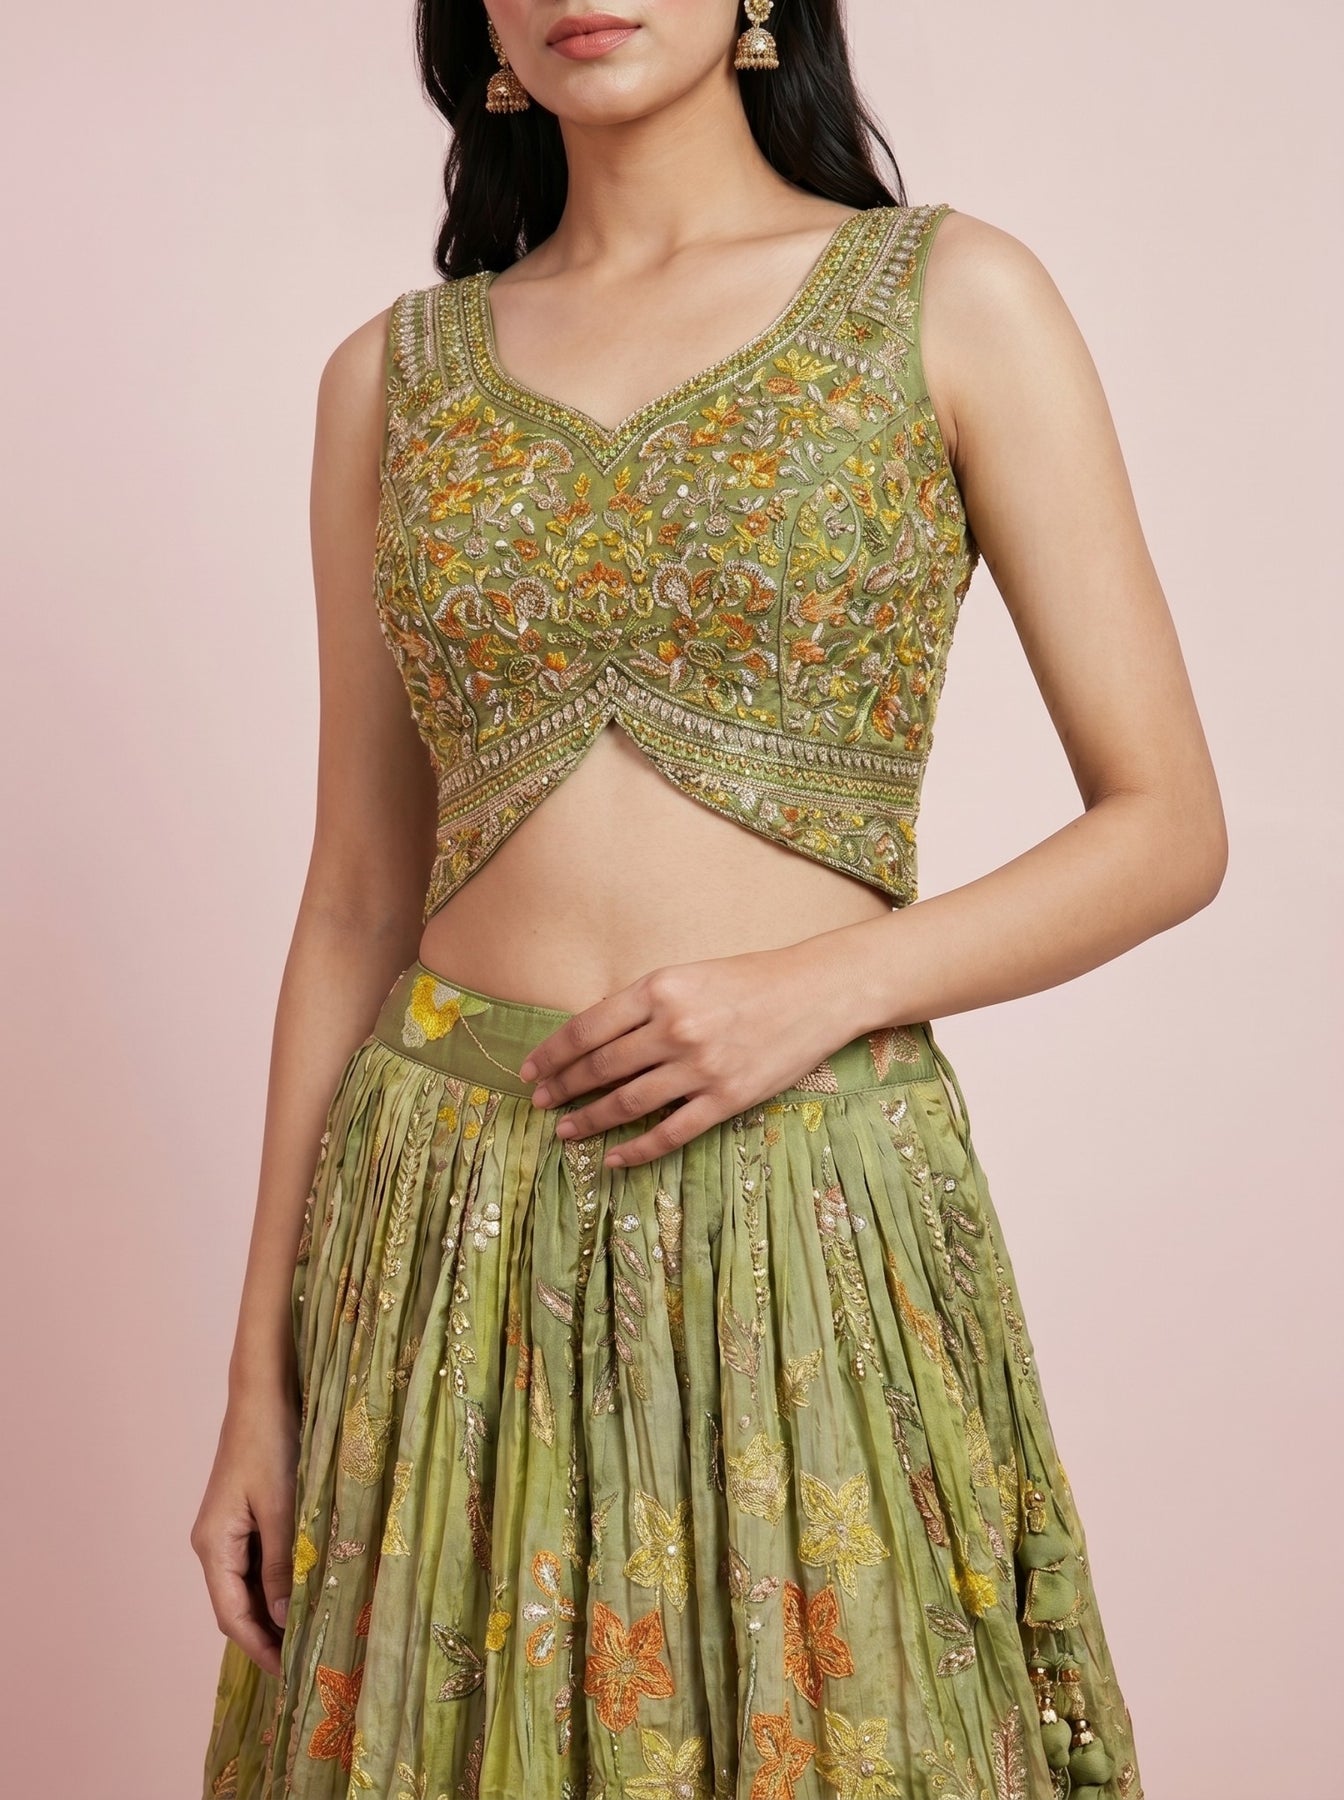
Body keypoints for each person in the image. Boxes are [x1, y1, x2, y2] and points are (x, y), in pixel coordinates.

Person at [193, 3, 1225, 1796]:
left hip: (805, 1193)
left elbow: (1167, 826)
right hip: (443, 1225)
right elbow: (355, 897)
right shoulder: (389, 377)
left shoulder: (949, 298)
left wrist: (817, 989)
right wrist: (254, 1383)